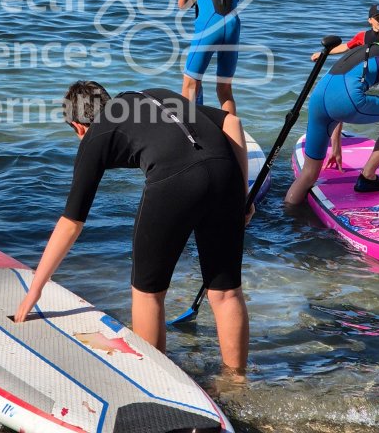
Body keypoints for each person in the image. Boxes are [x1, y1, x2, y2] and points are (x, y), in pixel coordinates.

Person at [14, 81, 253, 372]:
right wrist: (241, 196)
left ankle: (156, 382)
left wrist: (34, 291)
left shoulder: (95, 134)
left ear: (78, 126)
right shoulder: (152, 97)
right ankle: (236, 381)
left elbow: (71, 223)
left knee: (148, 292)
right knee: (226, 292)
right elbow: (232, 121)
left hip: (175, 180)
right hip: (224, 169)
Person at [285, 19, 379, 204]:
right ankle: (368, 177)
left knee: (308, 175)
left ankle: (289, 217)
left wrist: (336, 145)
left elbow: (337, 96)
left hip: (319, 99)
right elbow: (344, 99)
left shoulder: (365, 49)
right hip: (347, 100)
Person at [311, 3, 379, 61]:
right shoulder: (363, 36)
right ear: (370, 20)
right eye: (377, 18)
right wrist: (323, 53)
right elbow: (345, 47)